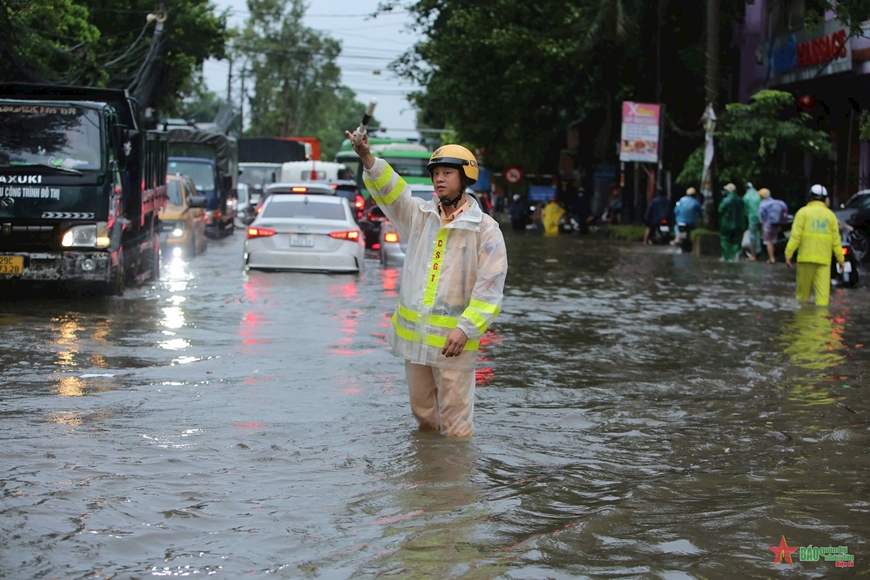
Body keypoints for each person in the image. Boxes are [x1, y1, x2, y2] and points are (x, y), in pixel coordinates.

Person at [346, 130, 508, 437]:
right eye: (435, 173)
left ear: (465, 177)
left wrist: (466, 328)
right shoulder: (420, 217)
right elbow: (392, 192)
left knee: (457, 428)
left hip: (455, 344)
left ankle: (456, 483)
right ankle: (429, 479)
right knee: (424, 419)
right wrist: (367, 156)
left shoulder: (485, 230)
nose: (439, 179)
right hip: (417, 342)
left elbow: (490, 287)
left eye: (447, 173)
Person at [784, 184, 844, 307]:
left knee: (802, 298)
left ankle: (802, 323)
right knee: (823, 300)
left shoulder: (802, 213)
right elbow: (836, 241)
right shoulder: (831, 216)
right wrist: (840, 259)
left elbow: (795, 236)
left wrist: (788, 253)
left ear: (810, 197)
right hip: (824, 261)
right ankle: (822, 324)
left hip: (805, 259)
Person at [758, 187, 789, 263]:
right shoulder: (778, 202)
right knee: (774, 240)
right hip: (777, 224)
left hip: (768, 225)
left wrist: (763, 229)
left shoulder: (763, 205)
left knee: (768, 241)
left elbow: (762, 219)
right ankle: (775, 256)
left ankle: (772, 259)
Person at [717, 183, 744, 261]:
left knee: (725, 241)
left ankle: (726, 257)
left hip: (727, 224)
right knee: (736, 241)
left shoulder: (726, 200)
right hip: (739, 224)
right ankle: (734, 257)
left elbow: (720, 210)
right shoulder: (740, 200)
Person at [743, 182, 762, 261]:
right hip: (762, 217)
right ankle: (760, 251)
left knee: (753, 236)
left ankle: (753, 255)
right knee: (761, 235)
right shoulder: (758, 194)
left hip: (752, 218)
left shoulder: (746, 197)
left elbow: (745, 210)